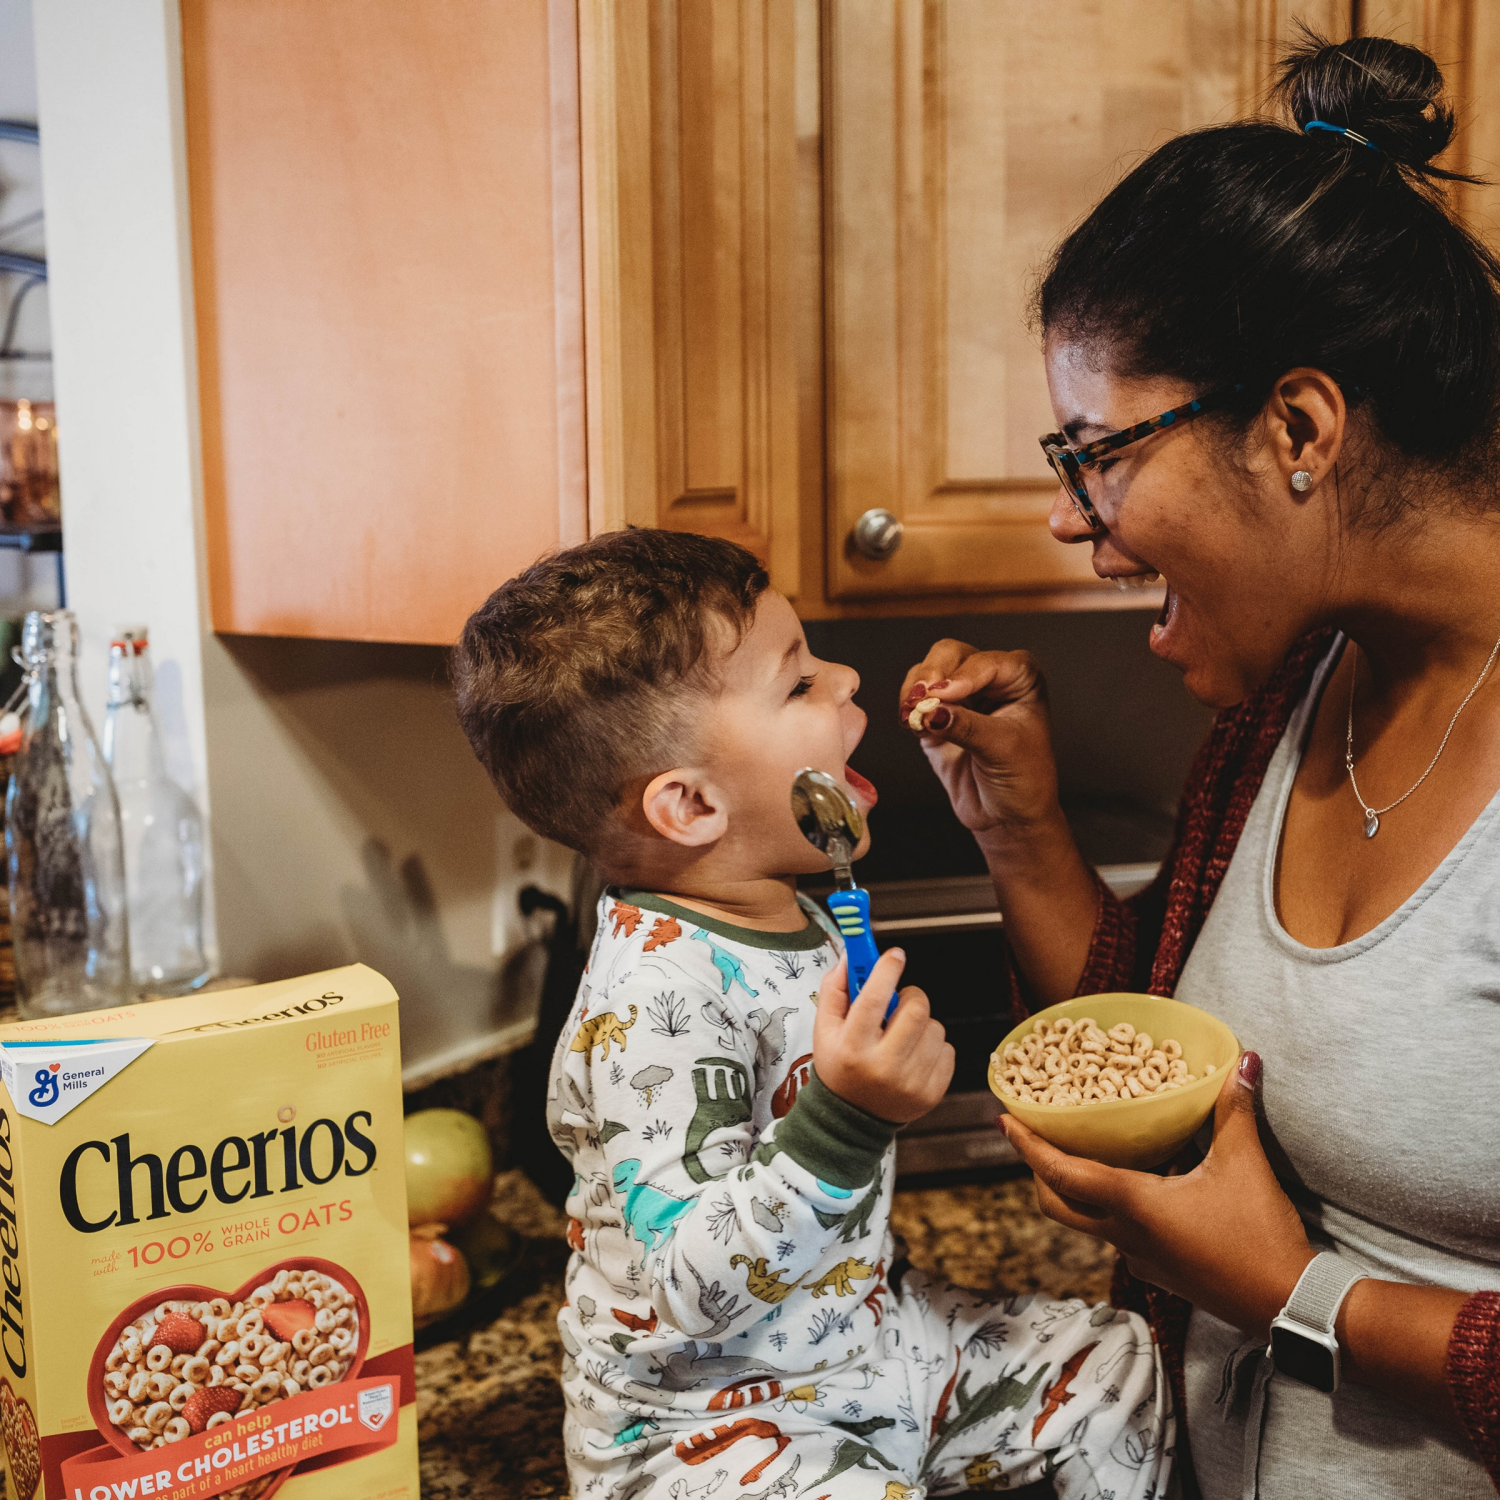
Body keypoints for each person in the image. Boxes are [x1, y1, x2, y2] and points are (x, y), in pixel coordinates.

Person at [899, 30, 1500, 1500]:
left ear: (1298, 428)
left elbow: (1268, 1257)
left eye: (1098, 447)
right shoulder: (1303, 684)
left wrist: (1300, 1294)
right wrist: (1024, 828)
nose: (1065, 512)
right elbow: (1160, 1060)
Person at [453, 529, 1173, 1499]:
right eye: (798, 685)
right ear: (691, 807)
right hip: (711, 1424)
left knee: (1120, 1364)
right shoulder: (656, 1001)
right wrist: (844, 1119)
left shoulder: (792, 900)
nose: (845, 680)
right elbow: (693, 1288)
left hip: (872, 1344)